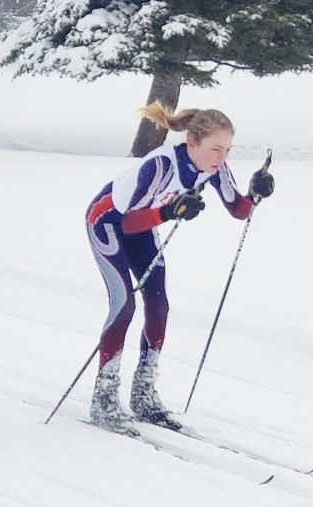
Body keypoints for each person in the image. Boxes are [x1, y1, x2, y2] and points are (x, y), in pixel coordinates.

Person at [85, 100, 274, 436]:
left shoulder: (214, 169)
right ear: (192, 143)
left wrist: (256, 192)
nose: (222, 157)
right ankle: (104, 398)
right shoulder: (160, 165)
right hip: (108, 224)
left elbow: (238, 209)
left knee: (158, 305)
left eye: (228, 149)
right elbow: (127, 222)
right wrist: (169, 213)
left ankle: (143, 394)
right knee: (123, 305)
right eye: (216, 148)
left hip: (143, 227)